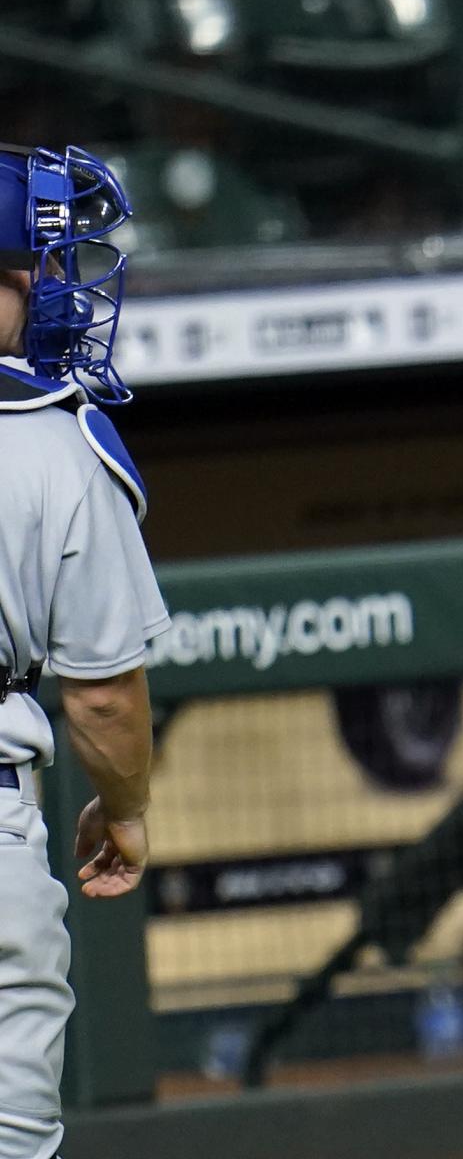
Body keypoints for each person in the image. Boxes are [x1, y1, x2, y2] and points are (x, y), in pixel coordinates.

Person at [0, 144, 169, 1159]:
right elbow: (103, 702)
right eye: (35, 267)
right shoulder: (52, 438)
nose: (60, 290)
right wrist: (129, 809)